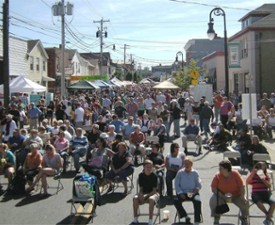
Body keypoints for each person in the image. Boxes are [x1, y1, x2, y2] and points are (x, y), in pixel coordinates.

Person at [209, 160, 249, 225]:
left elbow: (242, 185)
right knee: (213, 200)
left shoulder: (235, 174)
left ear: (226, 169)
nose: (219, 169)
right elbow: (214, 188)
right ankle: (216, 218)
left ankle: (244, 218)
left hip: (236, 195)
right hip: (222, 195)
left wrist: (243, 196)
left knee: (245, 203)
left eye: (221, 168)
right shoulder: (218, 176)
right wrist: (222, 196)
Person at [174, 157, 202, 225]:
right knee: (175, 201)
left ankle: (197, 221)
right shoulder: (180, 173)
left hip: (193, 192)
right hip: (183, 193)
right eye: (185, 163)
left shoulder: (195, 173)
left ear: (191, 164)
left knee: (197, 201)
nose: (186, 165)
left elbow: (199, 184)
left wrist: (194, 192)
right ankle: (186, 216)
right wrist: (180, 193)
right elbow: (176, 184)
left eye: (188, 163)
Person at [131, 160, 159, 225]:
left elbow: (154, 191)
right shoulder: (141, 175)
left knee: (151, 199)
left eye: (150, 167)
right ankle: (135, 219)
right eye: (147, 167)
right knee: (135, 198)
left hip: (153, 193)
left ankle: (150, 220)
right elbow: (141, 189)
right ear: (144, 167)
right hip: (144, 193)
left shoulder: (154, 176)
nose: (149, 168)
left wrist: (146, 195)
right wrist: (140, 194)